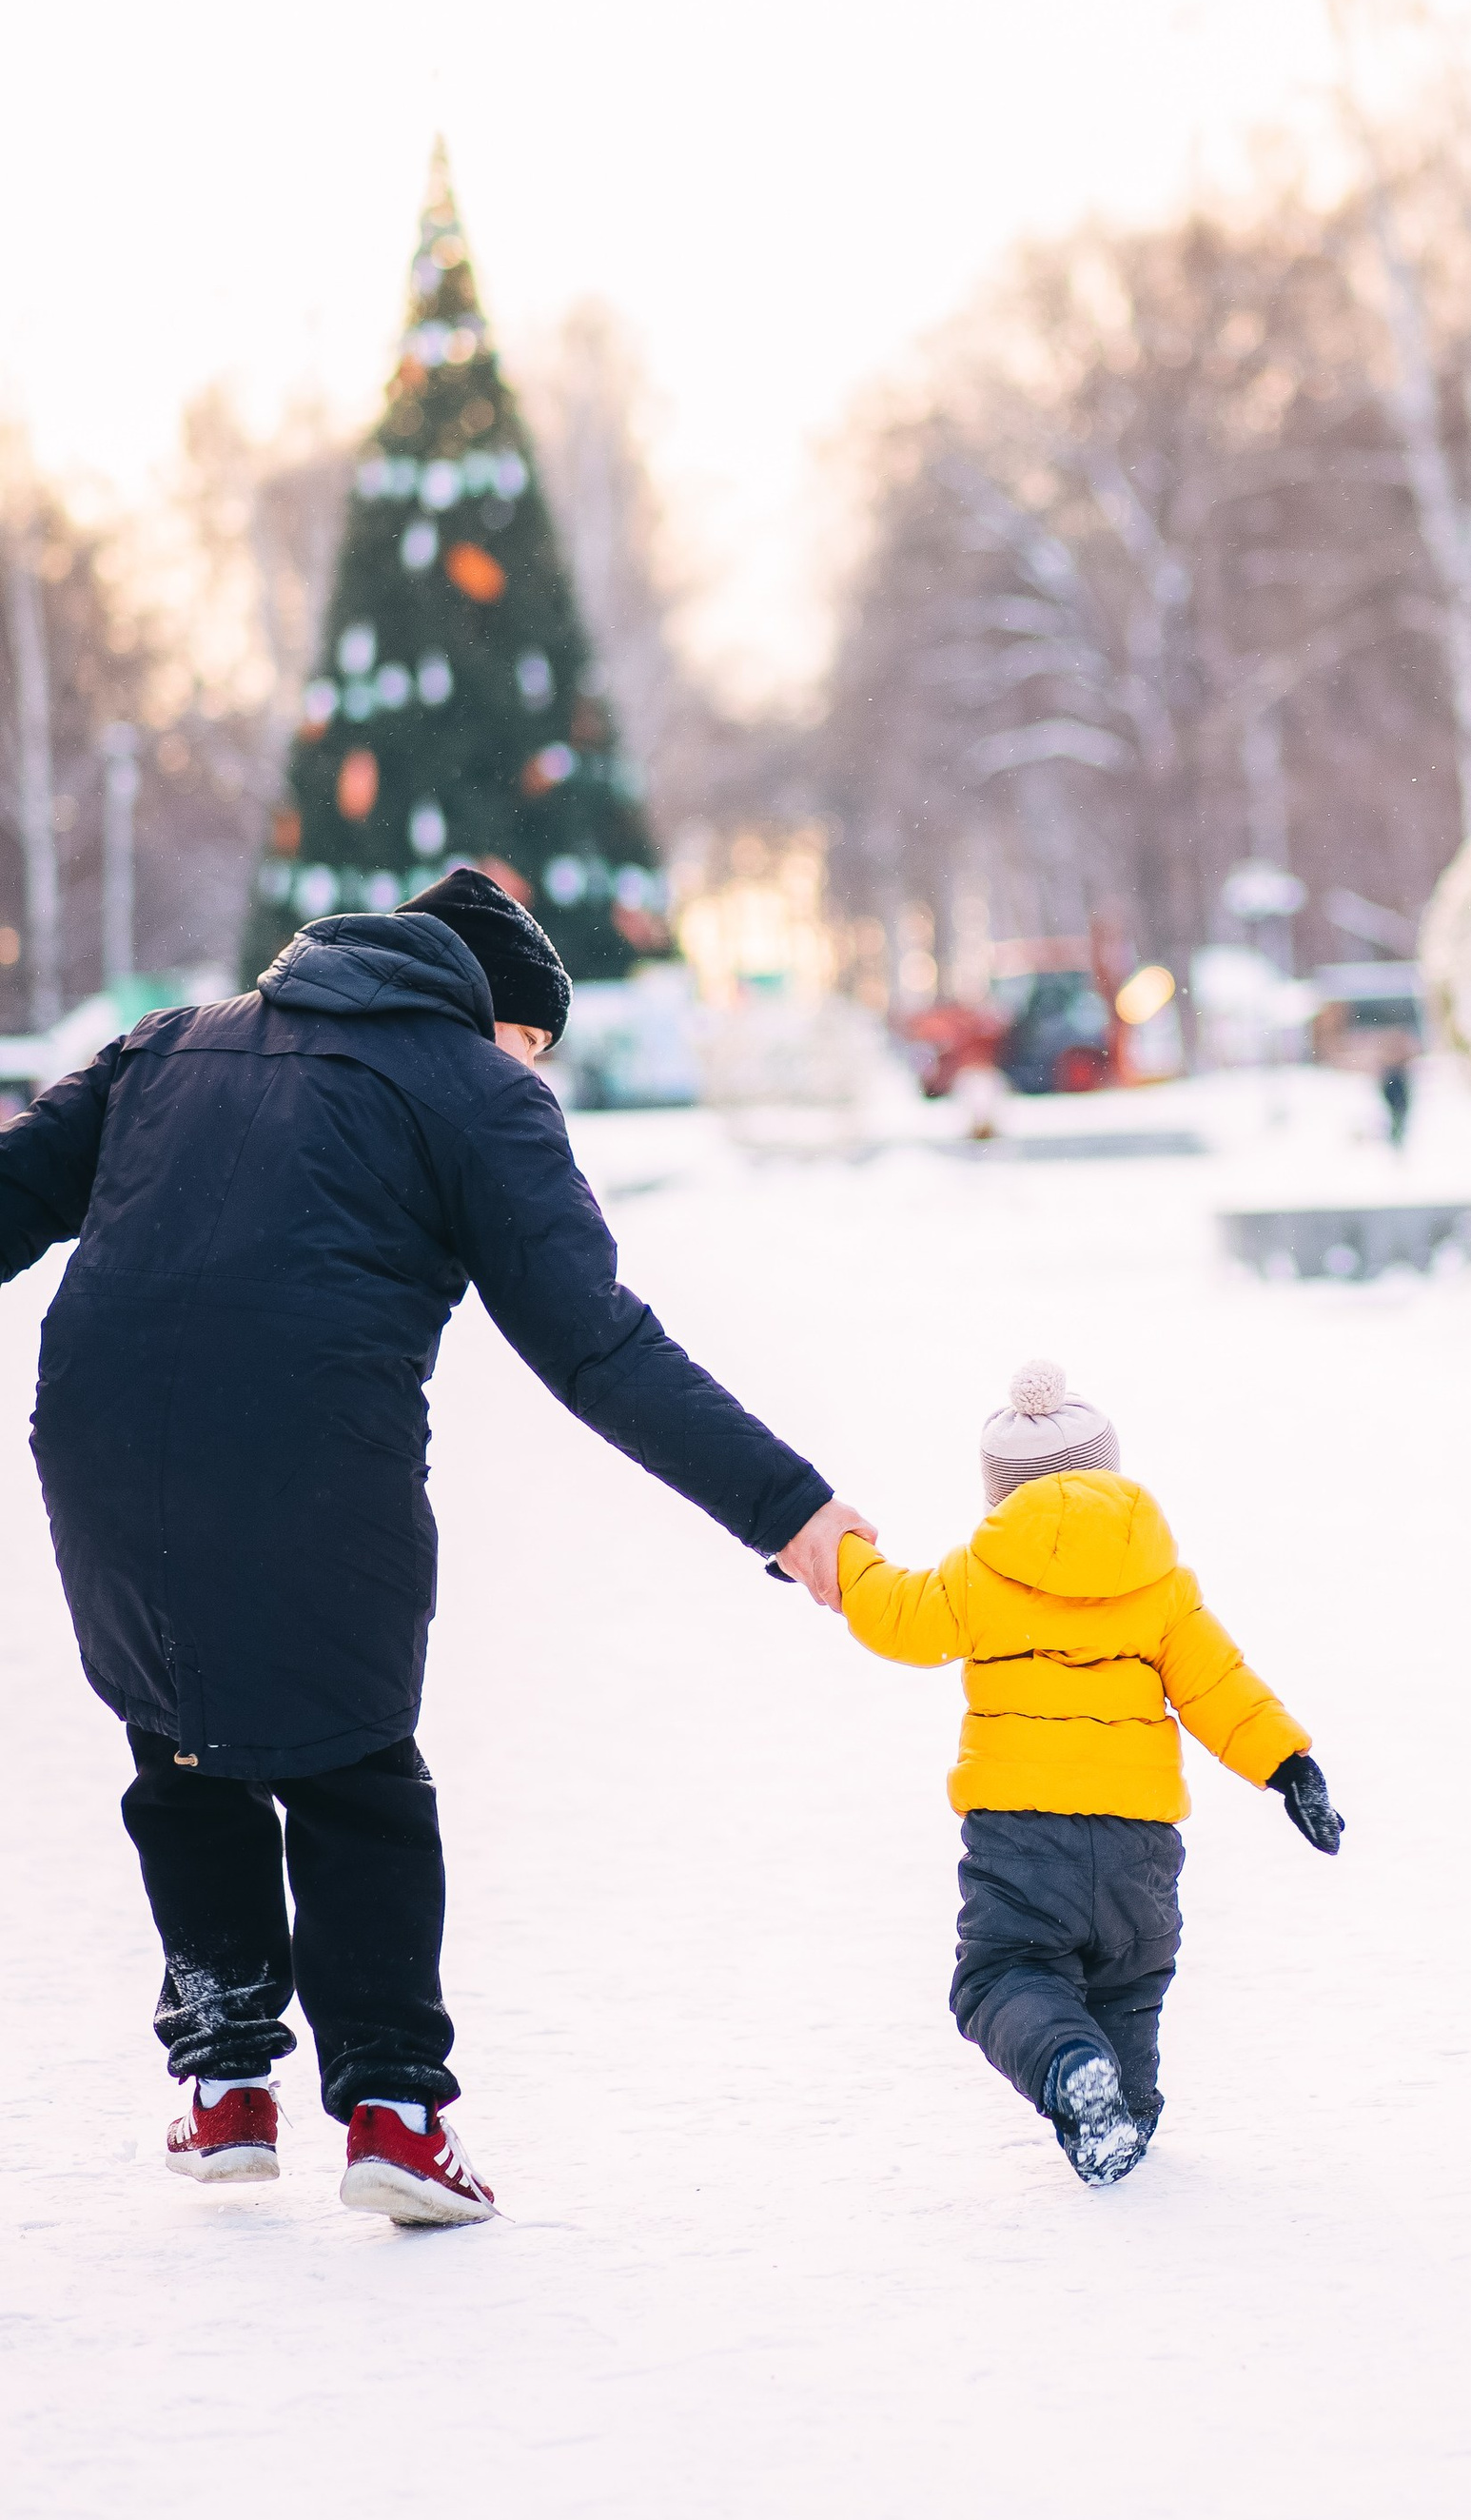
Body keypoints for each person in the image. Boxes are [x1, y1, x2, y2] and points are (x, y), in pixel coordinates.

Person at [0, 868, 866, 2225]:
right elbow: (596, 1343)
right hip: (307, 1454)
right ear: (492, 1015)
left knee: (179, 1738)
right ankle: (396, 2114)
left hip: (102, 1439)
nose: (536, 1074)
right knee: (356, 1771)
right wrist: (790, 1509)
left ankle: (227, 2087)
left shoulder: (171, 1042)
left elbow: (9, 1196)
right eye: (535, 1045)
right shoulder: (477, 1087)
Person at [815, 1357, 1342, 2186]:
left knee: (1000, 1978)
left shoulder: (978, 1576)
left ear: (1003, 1494)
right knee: (1128, 1984)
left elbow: (894, 1617)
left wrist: (835, 1557)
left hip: (1023, 1839)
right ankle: (1122, 2108)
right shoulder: (1163, 1587)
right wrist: (1289, 1765)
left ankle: (1069, 2069)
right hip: (1139, 1847)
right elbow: (1218, 1686)